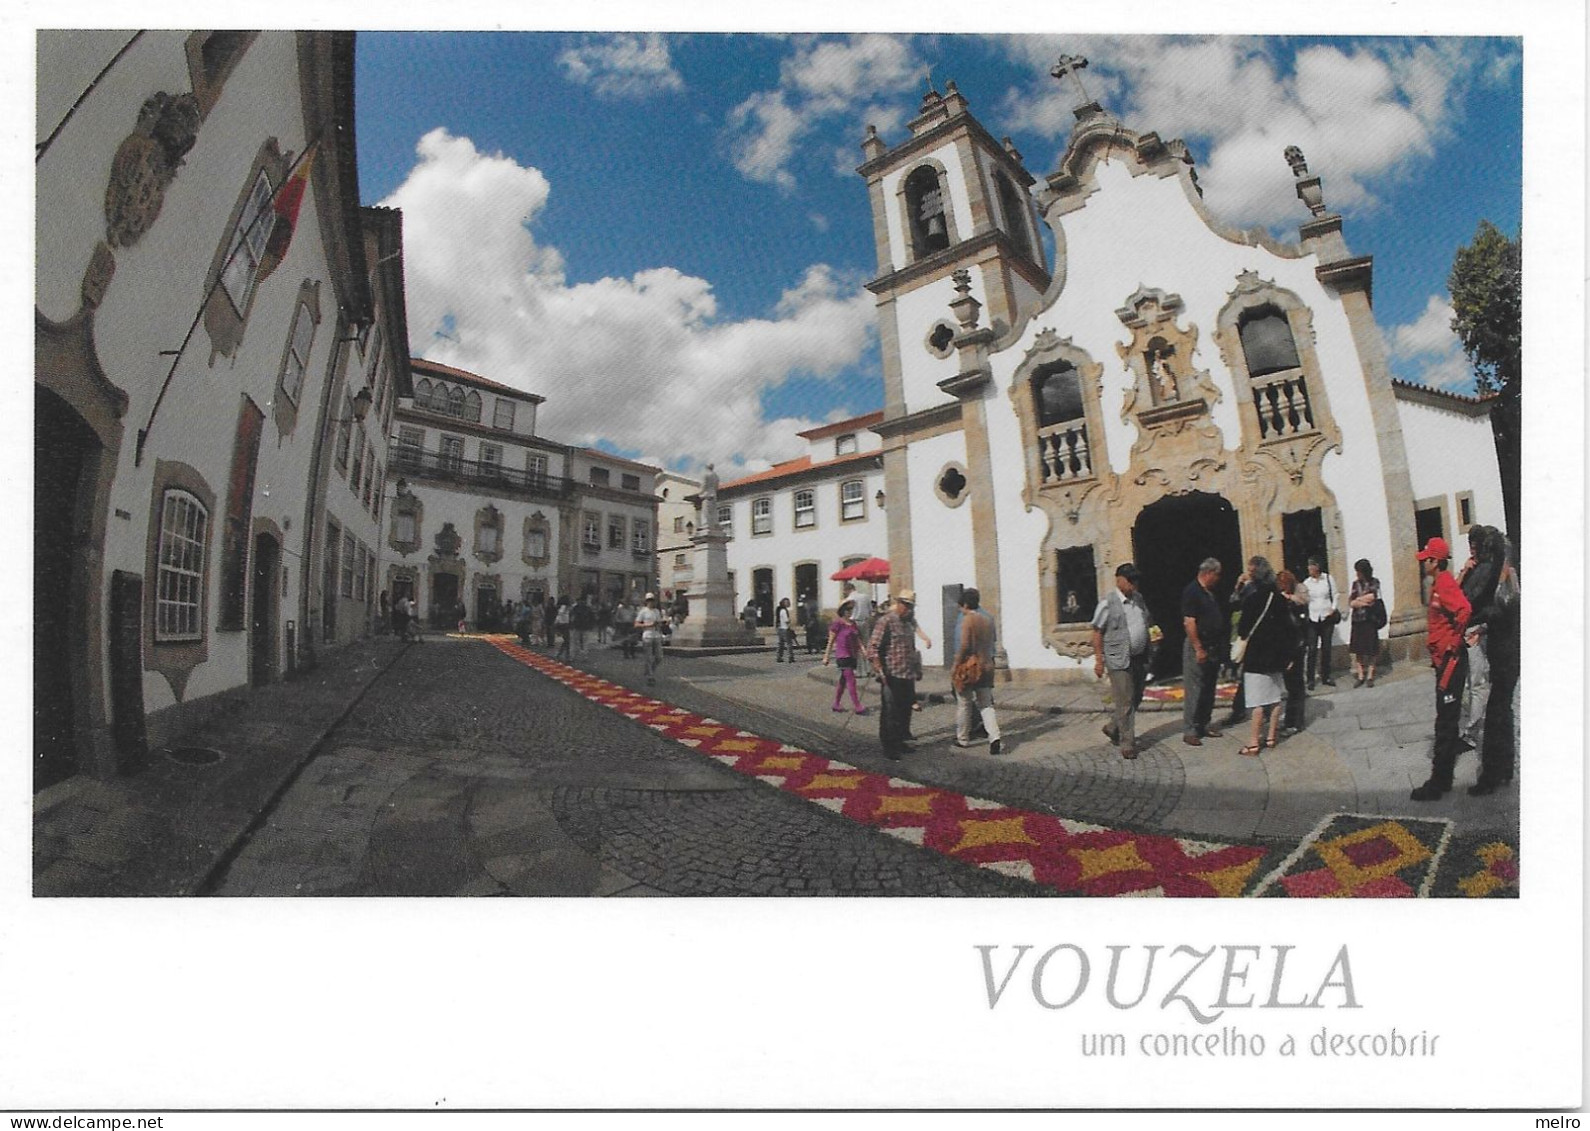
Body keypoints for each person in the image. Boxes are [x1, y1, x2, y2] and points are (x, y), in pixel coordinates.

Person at [1410, 537, 1472, 801]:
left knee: (1445, 722)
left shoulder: (1443, 582)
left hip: (1450, 663)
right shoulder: (1441, 582)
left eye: (1426, 559)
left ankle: (1438, 783)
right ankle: (1443, 778)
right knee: (1446, 719)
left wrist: (1453, 644)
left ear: (1436, 561)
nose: (1423, 563)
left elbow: (1464, 609)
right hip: (1444, 661)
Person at [1233, 557, 1298, 756]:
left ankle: (1253, 742)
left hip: (1257, 657)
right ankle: (1270, 737)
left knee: (1257, 702)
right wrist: (1288, 656)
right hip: (1277, 656)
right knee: (1275, 698)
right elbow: (1288, 628)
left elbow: (1243, 629)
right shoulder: (1278, 597)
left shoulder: (1252, 599)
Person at [1469, 537, 1518, 796]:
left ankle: (1490, 777)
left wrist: (1477, 618)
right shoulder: (1505, 582)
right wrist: (1482, 629)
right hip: (1506, 657)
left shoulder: (1508, 584)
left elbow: (1501, 611)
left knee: (1496, 714)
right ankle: (1506, 768)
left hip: (1506, 659)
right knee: (1503, 712)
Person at [1091, 563, 1153, 760]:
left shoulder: (1139, 599)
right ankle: (1127, 743)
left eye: (1136, 580)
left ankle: (1112, 726)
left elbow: (1146, 620)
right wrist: (1099, 660)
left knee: (1137, 696)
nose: (1134, 584)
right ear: (1119, 580)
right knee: (1125, 700)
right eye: (1130, 580)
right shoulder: (1107, 604)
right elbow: (1097, 632)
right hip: (1118, 659)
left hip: (1139, 656)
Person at [1457, 525, 1503, 750]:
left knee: (1478, 683)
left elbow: (1469, 600)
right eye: (1470, 545)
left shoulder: (1487, 569)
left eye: (1474, 545)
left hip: (1476, 630)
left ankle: (1472, 734)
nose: (1472, 549)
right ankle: (1474, 728)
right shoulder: (1474, 568)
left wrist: (1479, 629)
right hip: (1468, 630)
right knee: (1472, 683)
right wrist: (1464, 572)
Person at [867, 590, 923, 761]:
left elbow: (911, 648)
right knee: (890, 712)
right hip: (891, 674)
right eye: (907, 606)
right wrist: (878, 667)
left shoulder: (908, 623)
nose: (910, 609)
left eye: (911, 606)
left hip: (907, 674)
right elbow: (872, 648)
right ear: (900, 604)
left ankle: (900, 741)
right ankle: (889, 746)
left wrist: (917, 668)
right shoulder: (886, 621)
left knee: (905, 711)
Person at [1180, 558, 1227, 746]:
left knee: (1209, 687)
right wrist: (1198, 647)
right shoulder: (1192, 592)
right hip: (1198, 645)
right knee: (1195, 688)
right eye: (1217, 575)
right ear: (1209, 573)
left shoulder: (1209, 593)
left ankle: (1204, 724)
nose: (1219, 579)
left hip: (1212, 645)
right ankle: (1190, 729)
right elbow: (1189, 622)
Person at [952, 588, 1003, 756]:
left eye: (961, 606)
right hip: (987, 665)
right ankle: (994, 737)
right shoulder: (988, 619)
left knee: (964, 703)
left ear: (965, 604)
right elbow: (991, 642)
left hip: (971, 667)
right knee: (986, 704)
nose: (960, 609)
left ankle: (963, 738)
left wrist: (956, 664)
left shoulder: (968, 620)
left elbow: (965, 645)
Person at [1275, 569, 1309, 735]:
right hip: (1289, 647)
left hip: (1297, 647)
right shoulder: (1283, 599)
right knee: (1291, 687)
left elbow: (1303, 602)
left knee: (1296, 686)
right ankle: (1290, 720)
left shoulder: (1297, 597)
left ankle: (1296, 723)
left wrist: (1288, 598)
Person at [821, 600, 867, 714]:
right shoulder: (838, 624)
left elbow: (858, 639)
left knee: (843, 681)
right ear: (842, 611)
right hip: (842, 656)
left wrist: (863, 651)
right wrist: (826, 656)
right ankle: (857, 705)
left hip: (852, 655)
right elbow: (831, 641)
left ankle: (836, 703)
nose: (850, 612)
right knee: (851, 680)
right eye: (848, 609)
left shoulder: (853, 624)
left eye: (851, 609)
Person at [1301, 557, 1340, 688]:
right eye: (1309, 566)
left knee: (1326, 648)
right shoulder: (1307, 583)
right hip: (1313, 618)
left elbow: (1335, 594)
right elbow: (1304, 599)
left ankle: (1326, 676)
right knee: (1312, 648)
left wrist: (1333, 608)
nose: (1310, 569)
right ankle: (1310, 678)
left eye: (1312, 566)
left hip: (1326, 617)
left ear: (1317, 567)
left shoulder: (1328, 579)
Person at [1347, 558, 1384, 687]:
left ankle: (1370, 675)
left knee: (1371, 649)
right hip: (1358, 620)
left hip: (1370, 620)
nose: (1357, 574)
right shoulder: (1355, 584)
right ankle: (1361, 674)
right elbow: (1351, 602)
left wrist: (1359, 600)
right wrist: (1362, 601)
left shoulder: (1374, 582)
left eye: (1358, 571)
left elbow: (1372, 598)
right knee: (1358, 649)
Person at [635, 592, 667, 685]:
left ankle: (650, 671)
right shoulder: (643, 611)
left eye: (652, 600)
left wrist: (662, 623)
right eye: (649, 600)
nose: (651, 602)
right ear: (646, 601)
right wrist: (647, 625)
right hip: (647, 636)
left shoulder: (657, 611)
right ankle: (650, 676)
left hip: (657, 635)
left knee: (659, 657)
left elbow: (659, 623)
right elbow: (636, 624)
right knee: (648, 657)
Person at [844, 582, 874, 677]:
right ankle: (869, 669)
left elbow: (847, 614)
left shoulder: (849, 599)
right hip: (865, 621)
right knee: (866, 645)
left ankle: (861, 671)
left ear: (848, 590)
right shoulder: (865, 597)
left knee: (857, 647)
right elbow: (870, 611)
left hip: (854, 622)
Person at [775, 597, 796, 662]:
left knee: (781, 644)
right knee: (789, 643)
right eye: (787, 602)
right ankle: (790, 657)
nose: (789, 603)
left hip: (780, 628)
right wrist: (789, 621)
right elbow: (786, 620)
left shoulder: (779, 610)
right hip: (785, 628)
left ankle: (779, 657)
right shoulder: (784, 611)